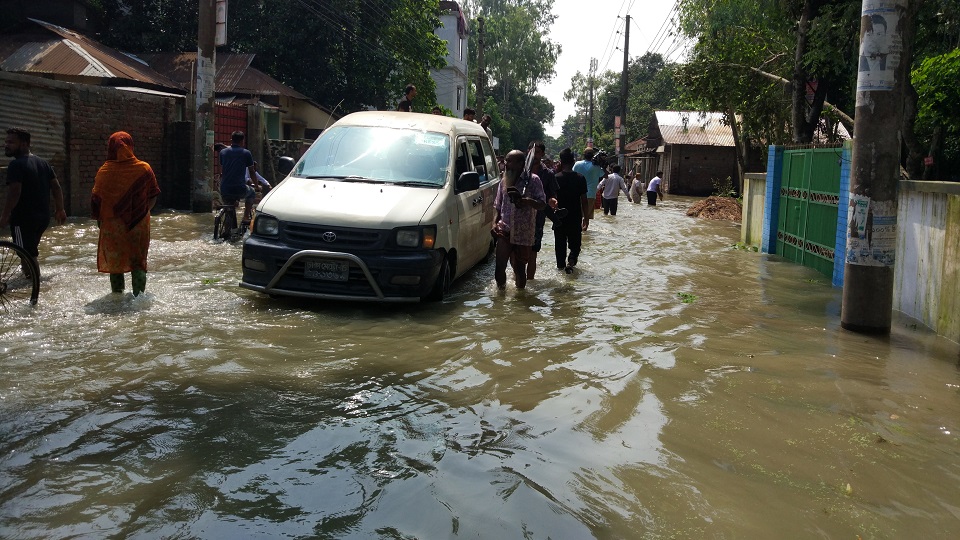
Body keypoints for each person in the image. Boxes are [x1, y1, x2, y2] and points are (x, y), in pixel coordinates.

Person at [91, 131, 160, 296]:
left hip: (112, 225)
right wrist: (142, 213)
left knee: (115, 263)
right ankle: (138, 298)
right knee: (138, 263)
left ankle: (117, 297)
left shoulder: (103, 171)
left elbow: (96, 201)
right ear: (130, 146)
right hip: (139, 223)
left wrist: (102, 222)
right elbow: (153, 195)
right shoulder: (144, 169)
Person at [1, 127, 67, 274]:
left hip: (23, 219)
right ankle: (29, 279)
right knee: (29, 249)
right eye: (6, 142)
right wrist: (60, 209)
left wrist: (4, 216)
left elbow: (14, 192)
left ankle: (34, 284)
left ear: (24, 144)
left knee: (27, 253)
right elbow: (56, 187)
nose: (6, 145)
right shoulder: (43, 163)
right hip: (43, 218)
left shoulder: (16, 165)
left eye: (11, 142)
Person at [493, 149, 545, 290]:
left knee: (519, 269)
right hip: (505, 229)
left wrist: (527, 201)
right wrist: (494, 223)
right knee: (499, 267)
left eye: (510, 161)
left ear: (521, 164)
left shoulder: (533, 180)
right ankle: (500, 296)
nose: (506, 163)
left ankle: (520, 297)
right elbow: (498, 205)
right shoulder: (504, 180)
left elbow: (542, 204)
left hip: (524, 232)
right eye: (506, 160)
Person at [526, 140, 559, 280]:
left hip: (538, 217)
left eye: (537, 152)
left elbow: (552, 194)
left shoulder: (548, 174)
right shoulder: (519, 170)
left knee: (533, 252)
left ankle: (529, 283)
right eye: (532, 151)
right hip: (519, 215)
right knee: (516, 252)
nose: (534, 155)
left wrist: (553, 200)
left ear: (542, 154)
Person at [553, 148, 589, 274]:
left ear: (561, 162)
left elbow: (552, 199)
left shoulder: (556, 178)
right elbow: (584, 200)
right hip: (575, 217)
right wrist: (586, 218)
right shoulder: (580, 178)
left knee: (560, 246)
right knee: (575, 246)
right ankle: (571, 262)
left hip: (559, 218)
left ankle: (560, 267)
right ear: (573, 161)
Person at [219, 131, 256, 222]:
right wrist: (256, 185)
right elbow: (252, 171)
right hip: (239, 188)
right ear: (242, 141)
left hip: (225, 189)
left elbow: (222, 171)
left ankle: (227, 227)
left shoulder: (222, 152)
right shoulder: (246, 153)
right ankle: (245, 217)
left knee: (229, 209)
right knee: (252, 192)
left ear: (231, 140)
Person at [572, 148, 607, 231]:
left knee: (577, 215)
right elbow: (606, 176)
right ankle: (585, 230)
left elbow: (572, 174)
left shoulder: (577, 164)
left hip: (577, 194)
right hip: (590, 194)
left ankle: (578, 231)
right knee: (586, 216)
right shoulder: (597, 167)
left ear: (584, 155)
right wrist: (602, 166)